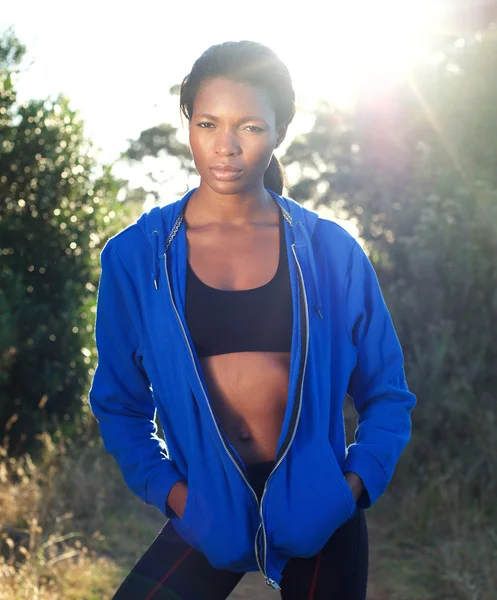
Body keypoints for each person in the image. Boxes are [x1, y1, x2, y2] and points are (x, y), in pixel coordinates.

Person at [89, 40, 416, 600]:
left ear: (279, 133)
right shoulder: (136, 257)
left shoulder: (331, 252)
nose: (226, 147)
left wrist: (349, 489)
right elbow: (120, 404)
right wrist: (175, 496)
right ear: (188, 121)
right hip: (208, 511)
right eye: (209, 123)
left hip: (320, 512)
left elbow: (387, 393)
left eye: (250, 128)